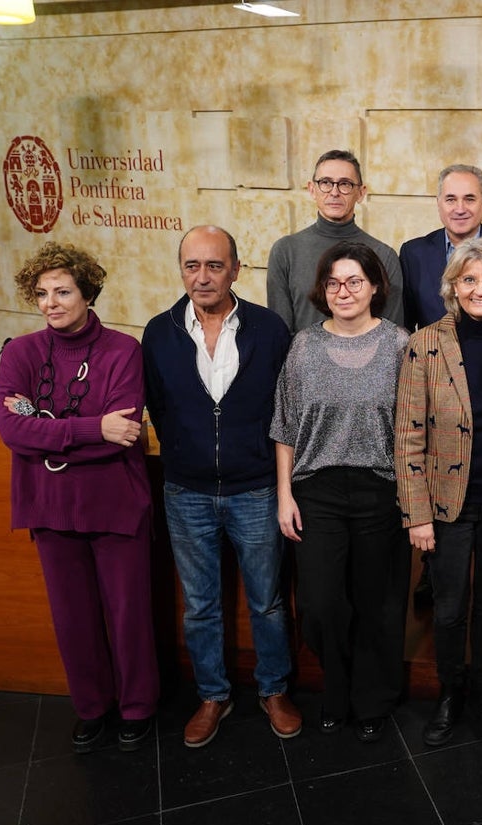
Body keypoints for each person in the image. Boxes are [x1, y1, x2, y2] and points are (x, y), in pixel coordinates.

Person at [0, 242, 158, 753]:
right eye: (42, 293)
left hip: (114, 503)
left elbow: (125, 430)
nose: (51, 302)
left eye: (62, 291)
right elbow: (10, 430)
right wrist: (91, 430)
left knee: (128, 613)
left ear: (88, 293)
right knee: (72, 618)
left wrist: (45, 427)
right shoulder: (20, 352)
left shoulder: (123, 350)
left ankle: (137, 707)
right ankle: (92, 707)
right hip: (50, 506)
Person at [142, 225, 301, 749]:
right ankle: (212, 695)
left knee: (268, 602)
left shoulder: (270, 329)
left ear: (236, 269)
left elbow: (286, 411)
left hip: (255, 489)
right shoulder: (160, 331)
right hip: (185, 492)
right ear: (180, 269)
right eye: (192, 265)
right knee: (201, 604)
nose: (203, 276)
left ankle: (274, 690)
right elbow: (160, 408)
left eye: (214, 265)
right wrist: (187, 454)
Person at [272, 241, 410, 743]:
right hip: (317, 491)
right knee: (321, 603)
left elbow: (414, 430)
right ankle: (338, 685)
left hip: (382, 489)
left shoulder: (401, 346)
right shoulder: (303, 347)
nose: (344, 291)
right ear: (321, 290)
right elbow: (284, 426)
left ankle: (373, 697)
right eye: (334, 283)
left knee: (378, 601)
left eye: (355, 281)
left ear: (375, 286)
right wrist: (285, 495)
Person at [394, 238, 482, 746]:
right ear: (453, 286)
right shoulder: (424, 345)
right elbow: (407, 436)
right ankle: (450, 691)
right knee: (448, 606)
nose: (480, 289)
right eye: (469, 279)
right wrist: (417, 514)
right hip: (445, 502)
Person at [267, 149, 404, 331]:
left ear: (361, 192)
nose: (334, 192)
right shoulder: (286, 251)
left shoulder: (383, 255)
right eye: (325, 183)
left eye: (345, 184)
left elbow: (393, 335)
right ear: (312, 189)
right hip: (300, 358)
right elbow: (279, 332)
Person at [400, 164, 482, 330]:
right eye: (451, 199)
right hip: (431, 354)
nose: (460, 209)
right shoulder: (413, 254)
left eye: (469, 199)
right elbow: (404, 324)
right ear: (438, 203)